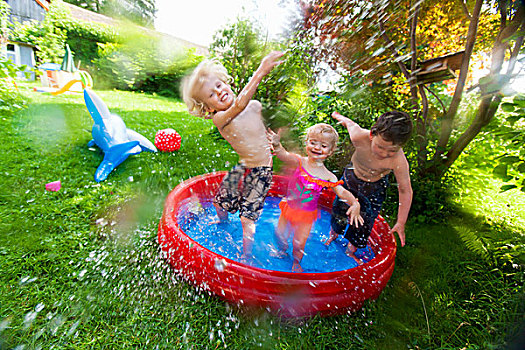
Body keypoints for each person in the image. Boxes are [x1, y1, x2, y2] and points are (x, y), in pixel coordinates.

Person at [181, 51, 284, 263]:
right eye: (211, 95)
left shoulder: (255, 107)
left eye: (219, 85)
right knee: (220, 202)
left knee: (247, 218)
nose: (218, 92)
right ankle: (222, 222)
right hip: (242, 166)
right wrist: (261, 70)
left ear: (226, 83)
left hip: (261, 172)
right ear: (209, 108)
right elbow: (239, 105)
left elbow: (261, 131)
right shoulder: (220, 118)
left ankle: (245, 256)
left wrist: (273, 142)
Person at [268, 124, 363, 272]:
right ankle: (282, 251)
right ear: (306, 142)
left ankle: (297, 262)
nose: (317, 148)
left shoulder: (328, 176)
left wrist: (354, 204)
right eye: (313, 142)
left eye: (323, 145)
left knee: (299, 243)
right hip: (289, 207)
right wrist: (276, 144)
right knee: (280, 235)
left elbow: (342, 192)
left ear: (330, 151)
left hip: (306, 215)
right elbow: (283, 155)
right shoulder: (300, 161)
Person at [324, 111, 413, 265]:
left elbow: (405, 190)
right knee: (339, 210)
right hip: (350, 180)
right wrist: (340, 117)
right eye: (380, 147)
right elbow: (350, 124)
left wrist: (401, 222)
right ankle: (334, 234)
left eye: (392, 150)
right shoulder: (359, 137)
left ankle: (350, 250)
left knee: (364, 223)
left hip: (374, 189)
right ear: (372, 134)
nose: (385, 153)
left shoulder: (398, 160)